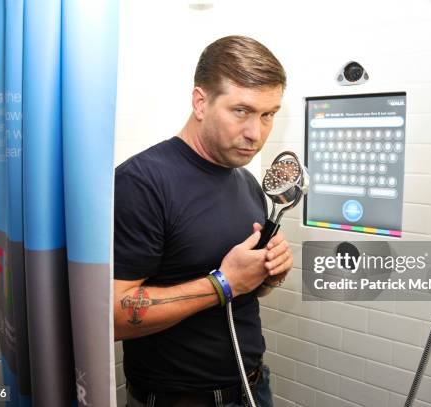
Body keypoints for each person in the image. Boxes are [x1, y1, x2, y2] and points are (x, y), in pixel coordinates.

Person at [114, 35, 293, 407]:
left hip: (252, 387)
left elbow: (246, 289)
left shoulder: (244, 181)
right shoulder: (143, 182)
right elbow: (112, 315)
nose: (255, 133)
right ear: (200, 102)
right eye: (241, 110)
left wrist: (267, 274)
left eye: (268, 114)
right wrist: (223, 283)